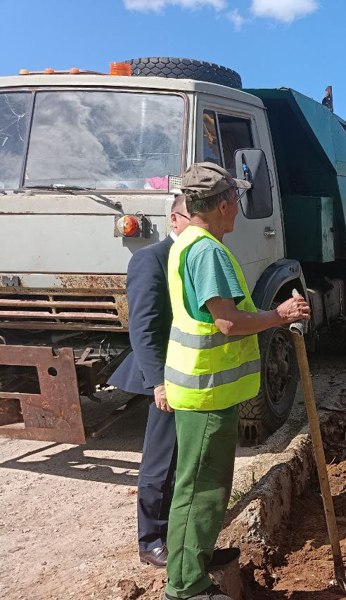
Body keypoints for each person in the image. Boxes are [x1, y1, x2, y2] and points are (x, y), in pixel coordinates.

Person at [163, 162, 309, 600]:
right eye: (236, 203)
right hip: (206, 391)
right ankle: (185, 586)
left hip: (207, 389)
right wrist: (279, 315)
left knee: (208, 483)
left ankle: (200, 557)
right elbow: (227, 323)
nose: (238, 211)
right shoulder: (206, 251)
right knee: (200, 489)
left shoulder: (188, 241)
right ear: (226, 205)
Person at [109, 196, 190, 568]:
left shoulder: (197, 256)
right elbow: (142, 328)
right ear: (175, 219)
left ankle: (182, 537)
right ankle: (151, 540)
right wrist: (158, 381)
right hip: (167, 380)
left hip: (194, 377)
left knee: (186, 461)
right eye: (195, 216)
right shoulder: (150, 259)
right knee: (161, 460)